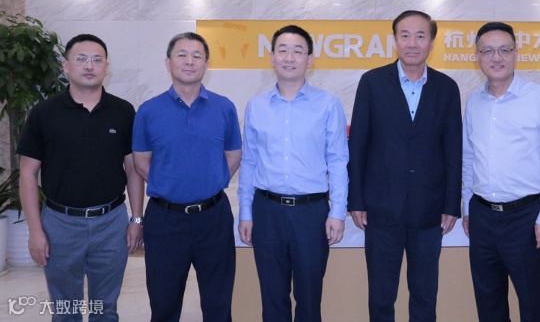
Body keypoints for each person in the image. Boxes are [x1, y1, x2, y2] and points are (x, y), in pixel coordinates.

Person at [17, 33, 144, 321]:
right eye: (81, 58)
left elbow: (133, 169)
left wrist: (136, 219)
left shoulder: (123, 111)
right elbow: (27, 173)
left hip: (111, 223)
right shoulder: (43, 113)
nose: (89, 65)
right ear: (65, 66)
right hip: (60, 223)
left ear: (106, 67)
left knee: (106, 310)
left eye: (97, 59)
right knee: (65, 311)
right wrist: (35, 231)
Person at [347, 10, 462, 322]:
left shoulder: (447, 87)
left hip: (429, 211)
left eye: (420, 36)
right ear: (395, 40)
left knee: (425, 296)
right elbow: (358, 145)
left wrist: (451, 204)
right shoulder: (372, 82)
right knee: (381, 297)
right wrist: (356, 200)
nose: (413, 43)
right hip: (381, 209)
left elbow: (453, 150)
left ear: (431, 42)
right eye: (405, 35)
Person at [237, 25, 349, 321]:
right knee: (272, 298)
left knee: (309, 299)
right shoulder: (257, 106)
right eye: (283, 50)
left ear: (310, 59)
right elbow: (249, 162)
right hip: (267, 211)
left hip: (311, 213)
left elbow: (338, 160)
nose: (290, 57)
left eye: (298, 51)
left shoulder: (328, 104)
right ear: (272, 57)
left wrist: (337, 212)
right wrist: (246, 212)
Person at [132, 32, 242, 322]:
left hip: (214, 218)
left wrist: (211, 181)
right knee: (164, 306)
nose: (189, 61)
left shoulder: (224, 107)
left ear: (207, 64)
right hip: (165, 220)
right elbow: (140, 162)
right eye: (182, 55)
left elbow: (233, 155)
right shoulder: (149, 110)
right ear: (168, 62)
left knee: (218, 306)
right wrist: (170, 184)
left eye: (197, 56)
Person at [461, 22, 540, 322]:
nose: (497, 58)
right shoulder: (474, 101)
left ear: (516, 54)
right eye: (488, 51)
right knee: (489, 305)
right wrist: (467, 208)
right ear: (477, 57)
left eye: (504, 50)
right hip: (482, 217)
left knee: (533, 306)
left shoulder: (538, 97)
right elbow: (469, 158)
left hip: (526, 219)